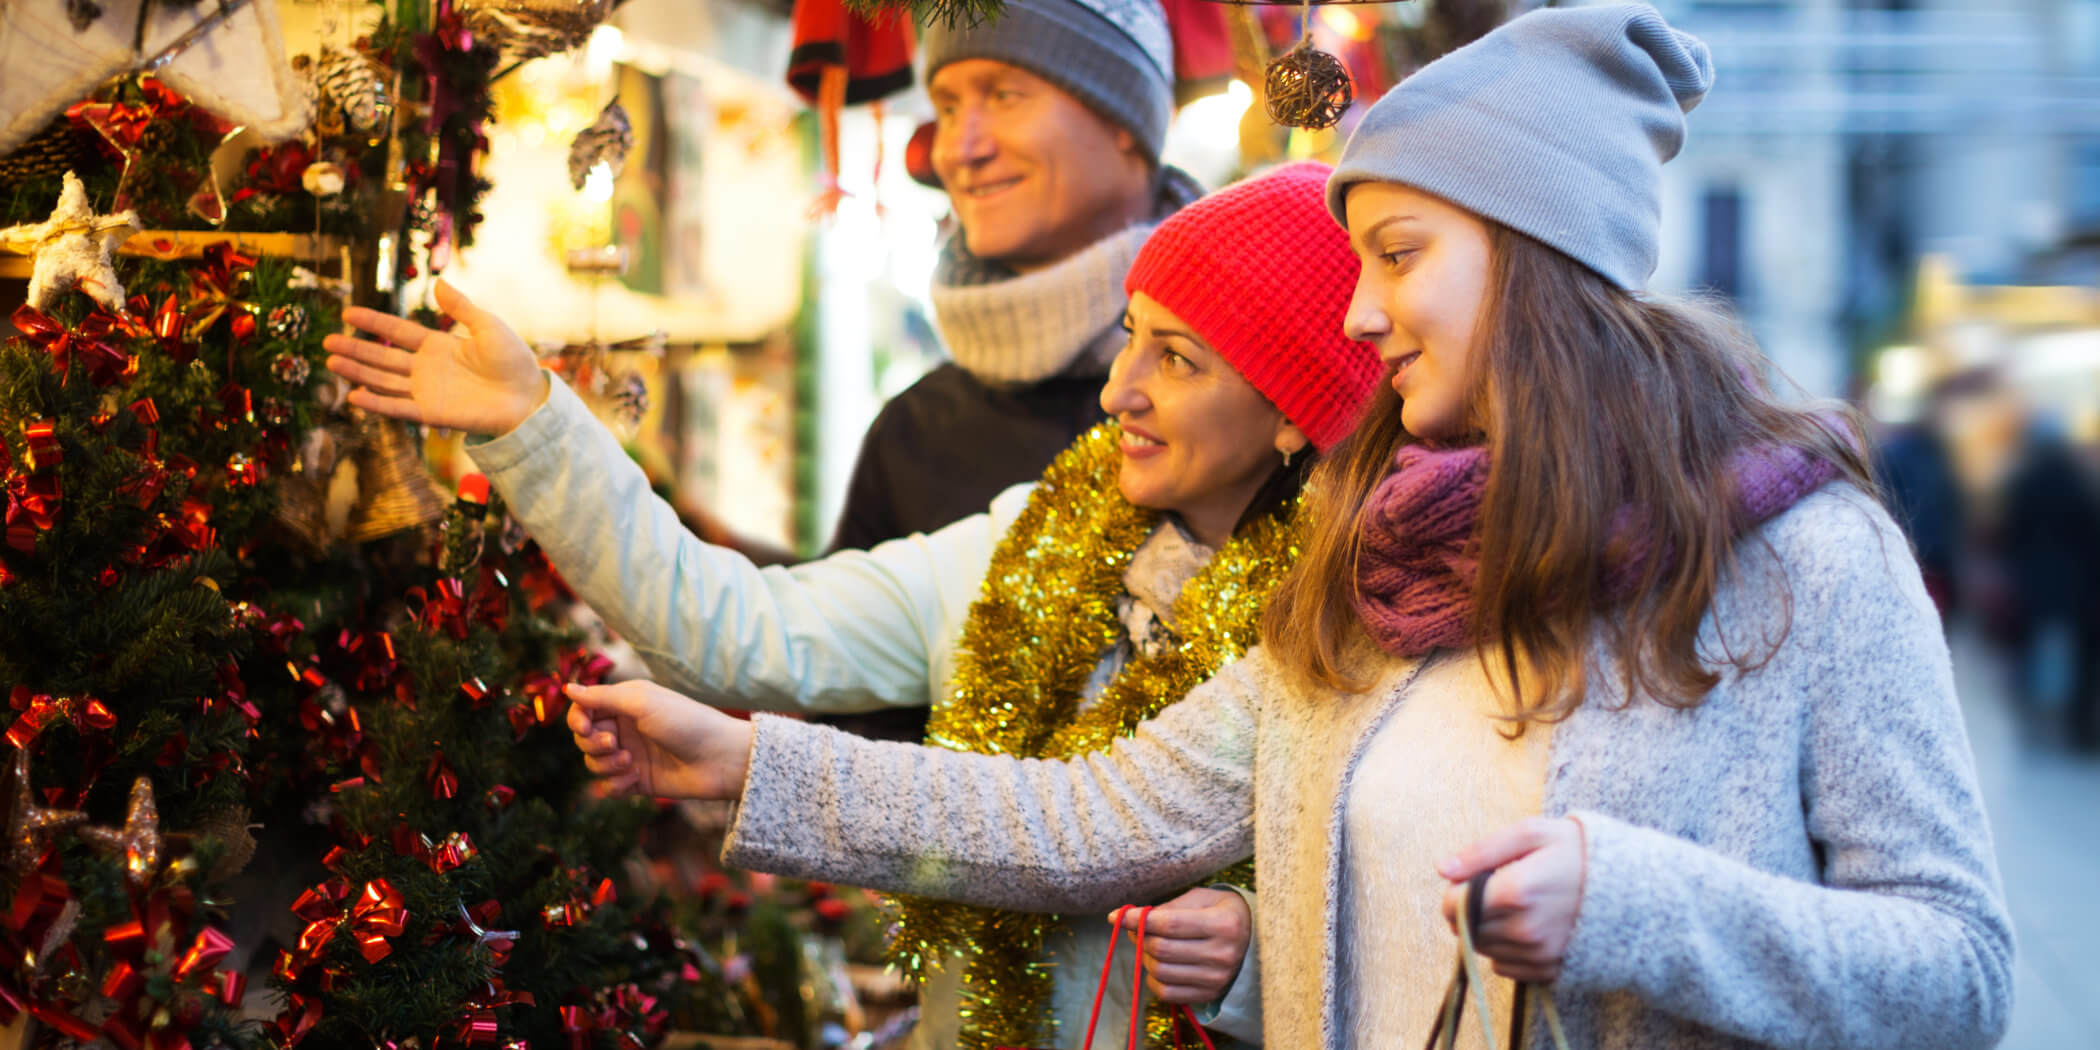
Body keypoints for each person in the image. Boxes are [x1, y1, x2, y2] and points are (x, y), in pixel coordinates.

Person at [562, 7, 2015, 1049]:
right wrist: (750, 761)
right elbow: (1091, 813)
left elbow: (1958, 971)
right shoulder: (1376, 574)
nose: (1361, 310)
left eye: (1398, 255)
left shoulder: (1807, 560)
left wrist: (1636, 902)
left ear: (1544, 261)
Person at [324, 163, 1382, 1049]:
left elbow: (1402, 936)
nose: (1119, 389)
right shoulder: (1028, 540)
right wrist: (533, 424)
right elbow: (732, 629)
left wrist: (1248, 960)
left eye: (1180, 358)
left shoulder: (1353, 629)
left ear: (1294, 411)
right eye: (1133, 335)